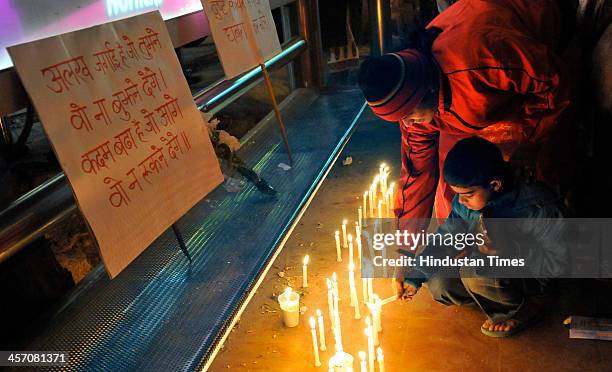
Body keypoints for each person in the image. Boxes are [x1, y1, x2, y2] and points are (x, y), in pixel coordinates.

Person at [357, 0, 573, 229]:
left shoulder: (484, 56)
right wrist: (406, 246)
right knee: (454, 184)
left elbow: (553, 82)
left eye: (409, 114)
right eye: (400, 118)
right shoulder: (413, 106)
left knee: (532, 173)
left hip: (538, 44)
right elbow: (417, 172)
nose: (407, 123)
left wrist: (530, 144)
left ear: (426, 92)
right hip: (469, 95)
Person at [394, 137, 568, 337]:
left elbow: (559, 265)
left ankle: (522, 309)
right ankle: (493, 298)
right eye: (457, 194)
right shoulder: (466, 205)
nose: (461, 201)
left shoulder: (537, 208)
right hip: (493, 272)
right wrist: (416, 273)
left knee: (475, 267)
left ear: (494, 184)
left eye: (467, 195)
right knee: (440, 283)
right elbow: (446, 239)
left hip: (534, 277)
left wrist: (510, 251)